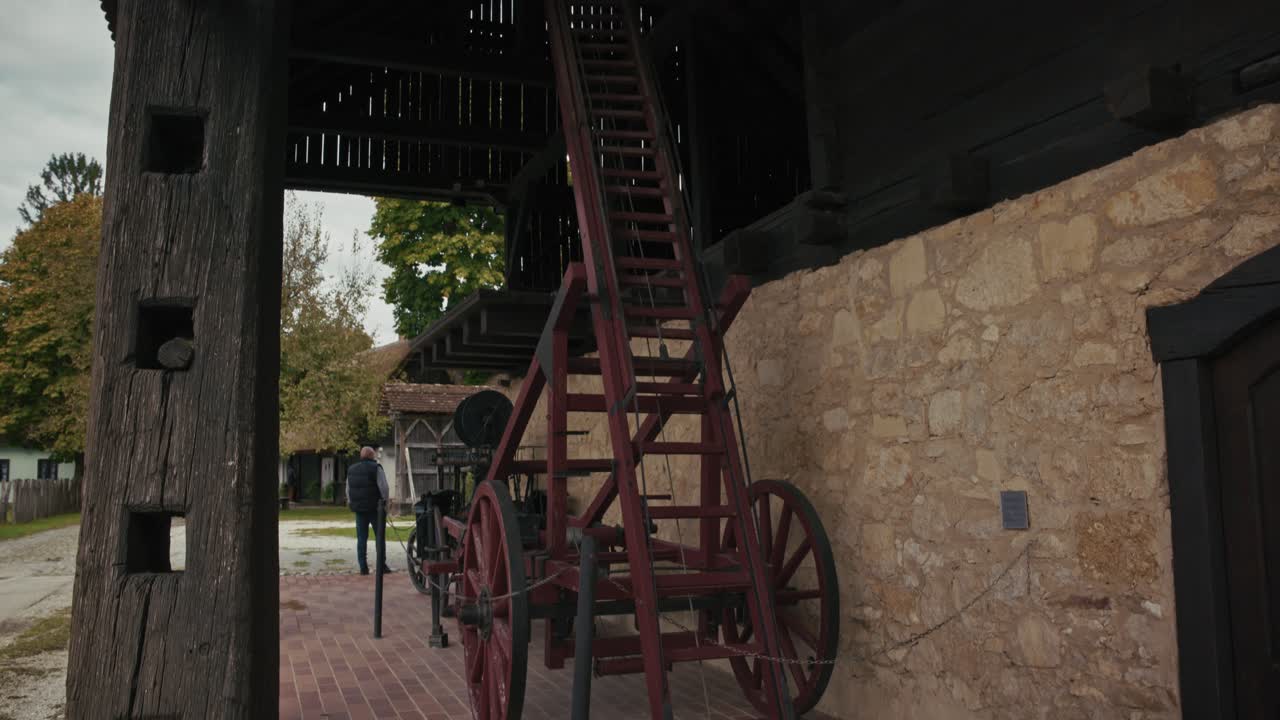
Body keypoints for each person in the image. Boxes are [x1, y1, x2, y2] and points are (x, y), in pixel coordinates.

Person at [346, 447, 393, 575]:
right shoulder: (376, 468)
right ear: (372, 456)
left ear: (361, 456)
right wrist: (385, 503)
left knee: (361, 538)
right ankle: (381, 565)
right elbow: (384, 488)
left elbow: (348, 489)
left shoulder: (351, 470)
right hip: (375, 508)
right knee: (379, 537)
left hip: (360, 509)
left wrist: (351, 503)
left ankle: (363, 567)